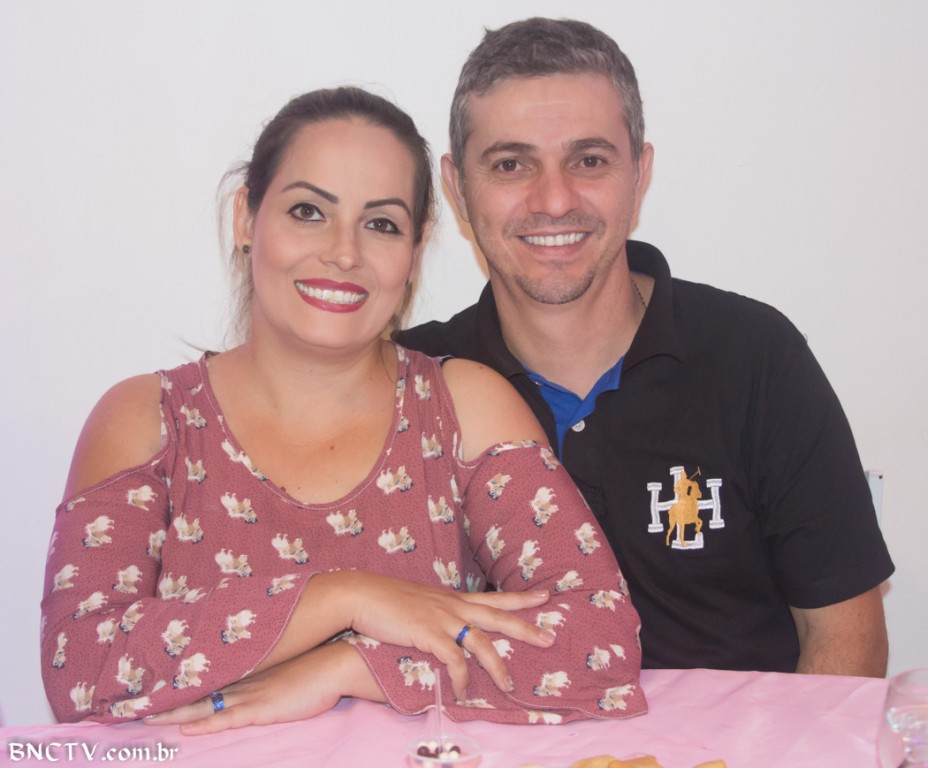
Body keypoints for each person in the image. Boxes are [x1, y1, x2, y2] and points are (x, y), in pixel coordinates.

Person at [40, 87, 646, 733]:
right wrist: (344, 597)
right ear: (246, 218)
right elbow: (80, 667)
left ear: (415, 252)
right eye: (308, 211)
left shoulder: (463, 408)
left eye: (381, 224)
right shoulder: (148, 419)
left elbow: (600, 641)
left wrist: (351, 667)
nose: (345, 252)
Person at [399, 18, 894, 676]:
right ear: (459, 188)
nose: (554, 200)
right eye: (511, 164)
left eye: (589, 161)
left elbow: (846, 639)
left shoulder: (755, 357)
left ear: (640, 174)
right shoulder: (407, 383)